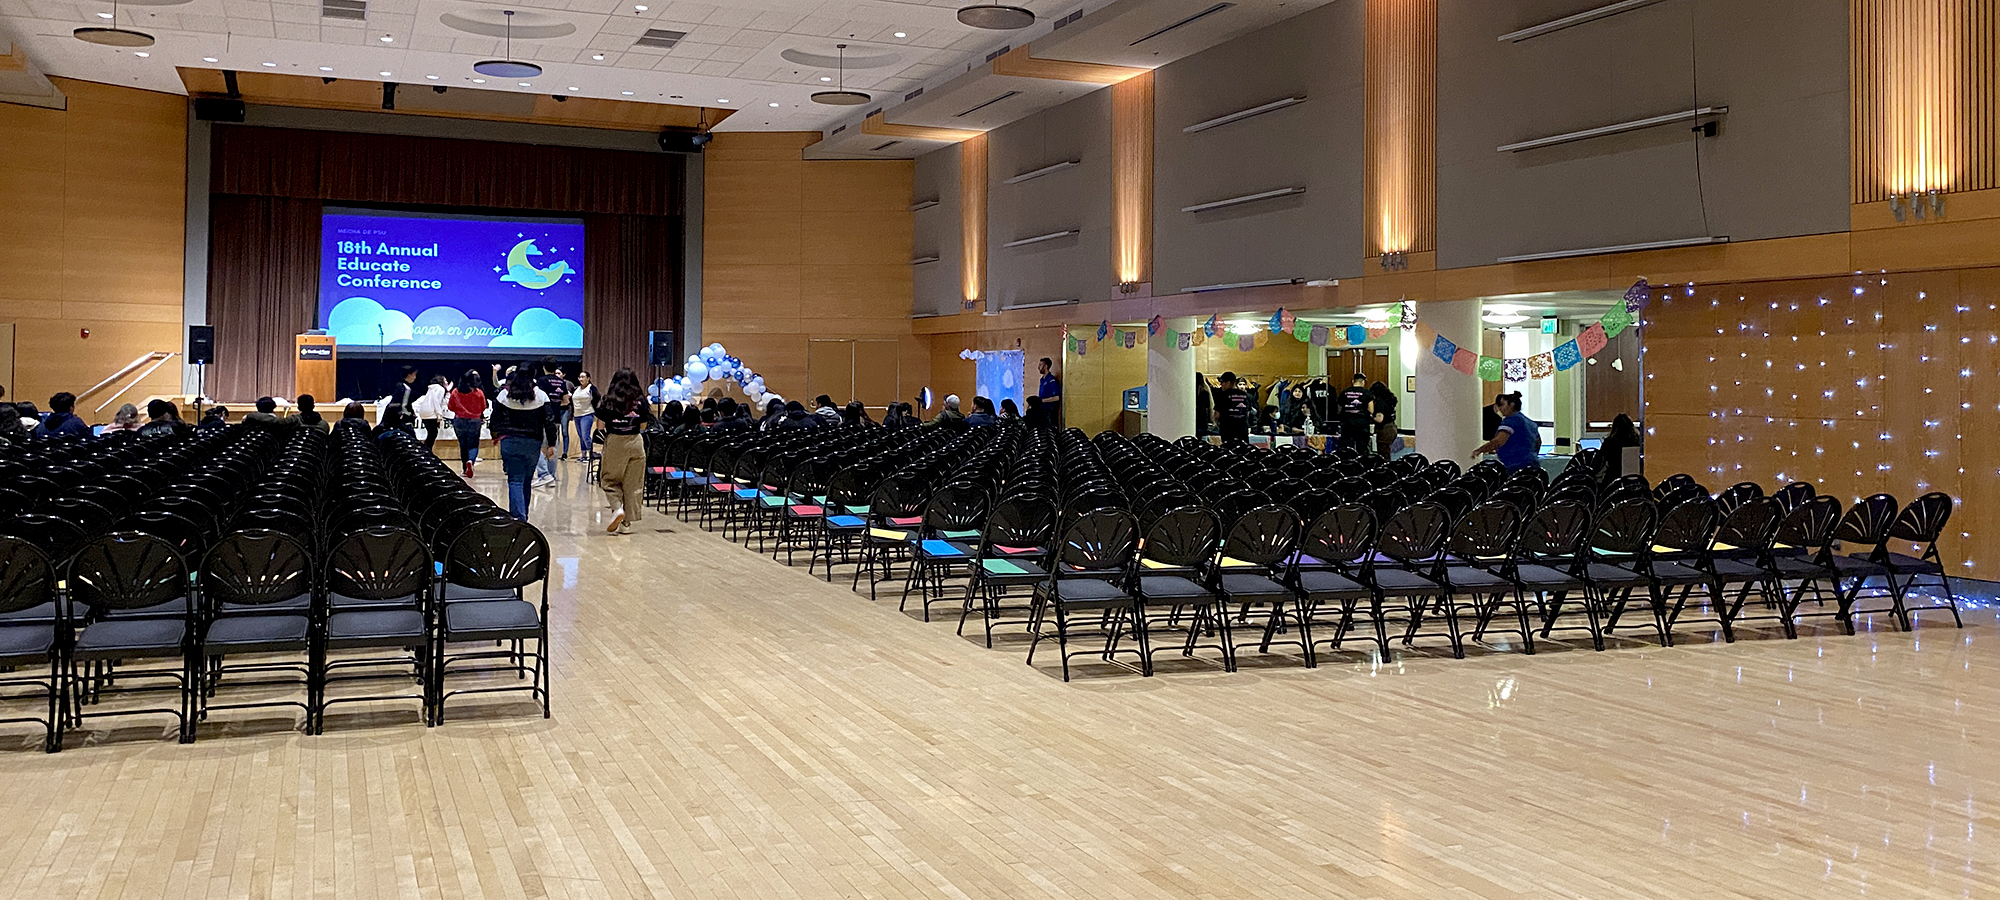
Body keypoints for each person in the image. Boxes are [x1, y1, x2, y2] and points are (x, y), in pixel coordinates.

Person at [593, 368, 657, 536]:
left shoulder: (608, 400)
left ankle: (617, 509)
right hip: (636, 441)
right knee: (633, 484)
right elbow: (643, 425)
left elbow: (600, 425)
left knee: (609, 480)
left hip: (615, 440)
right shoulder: (640, 401)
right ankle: (627, 524)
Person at [490, 367, 557, 522]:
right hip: (532, 443)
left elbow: (495, 419)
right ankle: (523, 516)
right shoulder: (541, 395)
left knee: (515, 480)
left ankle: (519, 518)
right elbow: (549, 422)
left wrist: (495, 435)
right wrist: (551, 444)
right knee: (527, 480)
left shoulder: (504, 395)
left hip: (509, 442)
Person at [1471, 391, 1542, 471]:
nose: (1499, 408)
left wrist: (1479, 450)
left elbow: (1498, 441)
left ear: (1511, 405)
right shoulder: (1530, 423)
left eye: (1501, 405)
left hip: (1515, 466)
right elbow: (1538, 443)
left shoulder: (1510, 421)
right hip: (1533, 464)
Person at [532, 361, 569, 489]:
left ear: (544, 367)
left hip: (542, 417)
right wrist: (556, 405)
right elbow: (566, 401)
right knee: (553, 446)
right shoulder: (561, 382)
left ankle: (544, 474)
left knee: (538, 446)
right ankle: (551, 477)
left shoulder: (541, 381)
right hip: (556, 418)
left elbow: (538, 398)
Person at [448, 370, 488, 478]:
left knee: (463, 445)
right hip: (475, 421)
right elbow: (483, 406)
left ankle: (464, 469)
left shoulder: (455, 392)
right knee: (474, 444)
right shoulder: (478, 392)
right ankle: (471, 461)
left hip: (459, 420)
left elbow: (450, 407)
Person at [1599, 413, 1644, 481]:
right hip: (1633, 479)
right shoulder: (1637, 442)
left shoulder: (1609, 443)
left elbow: (1601, 461)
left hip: (1613, 479)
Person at [567, 371, 600, 461]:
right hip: (577, 415)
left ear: (588, 378)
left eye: (583, 377)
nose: (581, 379)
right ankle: (583, 455)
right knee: (581, 435)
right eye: (580, 377)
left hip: (587, 413)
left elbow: (597, 398)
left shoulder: (591, 388)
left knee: (585, 435)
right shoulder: (576, 389)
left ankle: (591, 453)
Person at [1336, 373, 1372, 453]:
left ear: (1353, 381)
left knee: (1347, 449)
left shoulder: (1344, 392)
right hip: (1361, 425)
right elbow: (1371, 410)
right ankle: (1361, 464)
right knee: (1362, 449)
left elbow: (1339, 409)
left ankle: (1348, 464)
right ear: (1363, 382)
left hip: (1347, 424)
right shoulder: (1367, 393)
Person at [1214, 372, 1253, 444]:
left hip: (1227, 429)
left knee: (1229, 451)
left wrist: (1217, 424)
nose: (1221, 385)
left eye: (1222, 382)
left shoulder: (1222, 396)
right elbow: (1247, 413)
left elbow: (1217, 415)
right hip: (1242, 429)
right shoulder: (1245, 395)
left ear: (1228, 383)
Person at [414, 375, 450, 454]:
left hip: (424, 412)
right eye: (445, 380)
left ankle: (426, 450)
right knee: (433, 434)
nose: (447, 382)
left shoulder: (432, 389)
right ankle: (426, 451)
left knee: (431, 433)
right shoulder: (440, 389)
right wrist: (439, 415)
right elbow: (436, 401)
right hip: (431, 413)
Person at [1368, 381, 1399, 456]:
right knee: (1387, 451)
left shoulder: (1380, 403)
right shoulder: (1390, 401)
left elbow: (1379, 419)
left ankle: (1384, 467)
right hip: (1392, 427)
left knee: (1383, 453)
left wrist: (1370, 416)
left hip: (1384, 430)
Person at [1037, 357, 1062, 427]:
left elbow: (1057, 398)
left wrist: (1042, 401)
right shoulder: (1042, 380)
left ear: (1046, 366)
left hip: (1050, 411)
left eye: (1040, 365)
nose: (1038, 367)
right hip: (1042, 410)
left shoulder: (1051, 380)